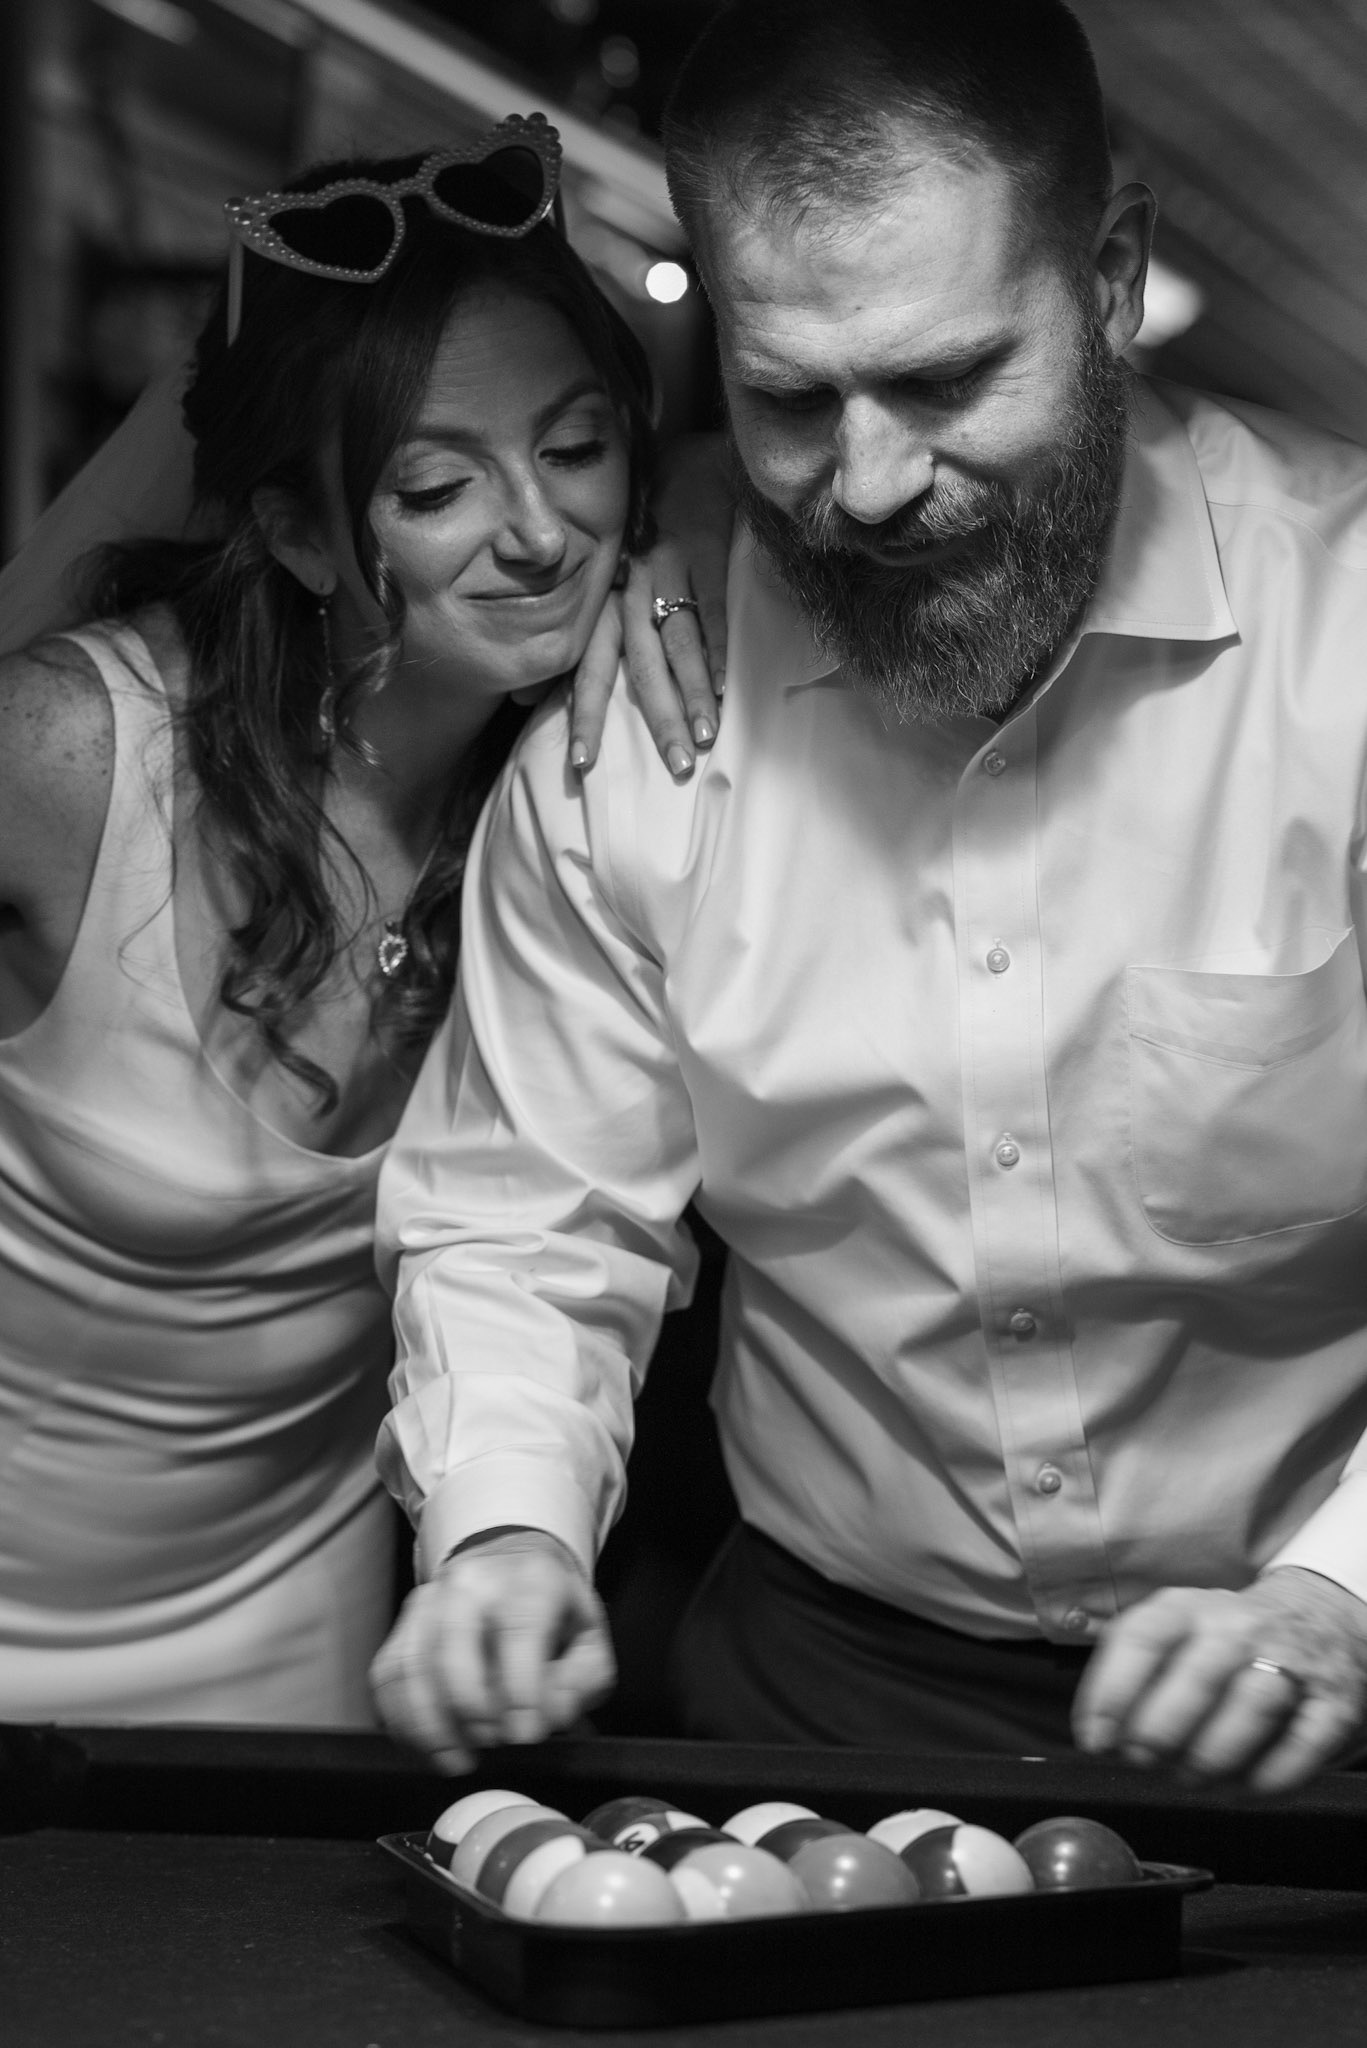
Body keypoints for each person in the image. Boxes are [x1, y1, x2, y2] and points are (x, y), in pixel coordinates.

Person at [372, 0, 1367, 1791]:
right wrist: (504, 1532)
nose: (876, 482)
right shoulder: (628, 736)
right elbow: (530, 1222)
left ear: (1111, 280)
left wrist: (1341, 1595)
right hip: (826, 1692)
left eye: (947, 380)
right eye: (791, 400)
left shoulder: (1347, 643)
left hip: (1323, 1660)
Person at [0, 115, 721, 1726]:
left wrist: (699, 550)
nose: (538, 531)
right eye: (437, 484)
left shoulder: (599, 785)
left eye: (578, 451)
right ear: (298, 531)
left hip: (288, 1619)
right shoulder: (66, 753)